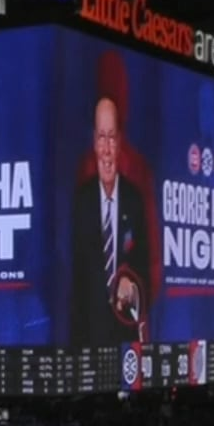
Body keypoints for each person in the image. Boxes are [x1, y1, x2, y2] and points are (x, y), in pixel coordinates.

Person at [70, 93, 150, 346]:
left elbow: (147, 267)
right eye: (101, 138)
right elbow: (75, 280)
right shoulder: (80, 202)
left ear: (120, 142)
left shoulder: (134, 200)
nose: (106, 149)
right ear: (94, 142)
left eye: (112, 138)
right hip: (88, 339)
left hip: (126, 337)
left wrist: (132, 287)